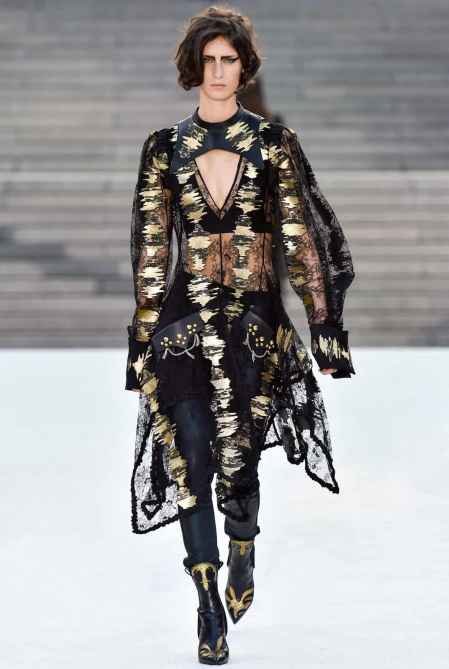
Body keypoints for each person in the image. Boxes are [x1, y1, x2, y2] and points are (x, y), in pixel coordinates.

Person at [124, 5, 356, 665]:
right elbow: (150, 245)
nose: (219, 71)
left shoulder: (273, 144)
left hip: (254, 326)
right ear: (193, 67)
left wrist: (324, 323)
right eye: (210, 61)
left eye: (230, 60)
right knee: (190, 457)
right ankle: (206, 603)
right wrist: (141, 333)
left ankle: (243, 546)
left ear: (244, 68)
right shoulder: (163, 148)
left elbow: (300, 235)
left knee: (239, 465)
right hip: (181, 327)